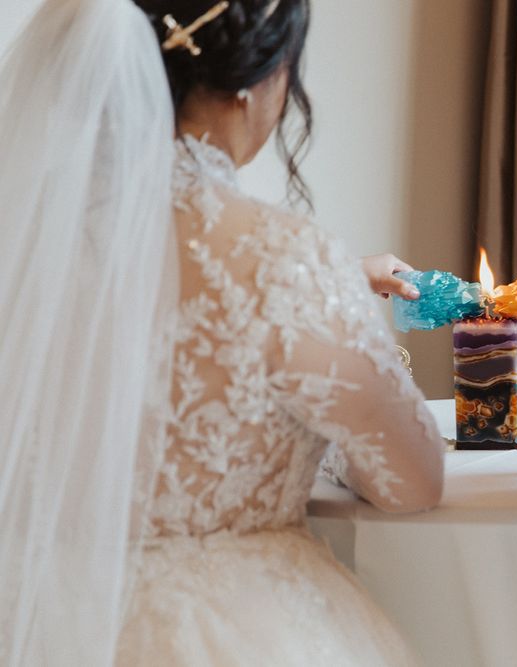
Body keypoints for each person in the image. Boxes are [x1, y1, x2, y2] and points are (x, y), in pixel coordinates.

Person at [0, 0, 442, 664]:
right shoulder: (284, 259)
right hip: (233, 630)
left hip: (36, 618)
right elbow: (412, 481)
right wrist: (335, 306)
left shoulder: (22, 246)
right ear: (254, 81)